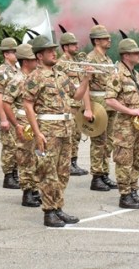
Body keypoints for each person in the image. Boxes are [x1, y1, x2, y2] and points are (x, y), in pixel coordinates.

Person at [23, 35, 92, 227]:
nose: (54, 53)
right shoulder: (35, 77)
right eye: (49, 51)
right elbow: (28, 105)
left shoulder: (60, 75)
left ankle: (58, 207)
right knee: (48, 172)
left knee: (62, 173)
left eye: (54, 50)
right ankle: (49, 211)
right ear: (39, 56)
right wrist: (37, 133)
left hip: (65, 130)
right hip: (48, 130)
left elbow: (76, 95)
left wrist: (86, 79)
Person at [105, 38, 139, 209]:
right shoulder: (117, 74)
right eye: (135, 52)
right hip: (124, 126)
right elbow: (109, 100)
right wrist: (131, 111)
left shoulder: (136, 74)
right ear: (126, 55)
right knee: (124, 161)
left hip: (137, 125)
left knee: (136, 159)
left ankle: (133, 191)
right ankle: (124, 195)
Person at [3, 43, 42, 208]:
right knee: (26, 158)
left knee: (37, 158)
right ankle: (27, 192)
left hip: (35, 122)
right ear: (26, 61)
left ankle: (34, 188)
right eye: (34, 59)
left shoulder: (34, 78)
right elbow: (6, 103)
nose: (37, 62)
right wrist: (16, 125)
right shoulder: (18, 79)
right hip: (24, 123)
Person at [85, 24, 118, 191]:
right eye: (105, 38)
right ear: (96, 40)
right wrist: (88, 108)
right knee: (98, 141)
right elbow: (85, 86)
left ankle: (104, 173)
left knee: (108, 141)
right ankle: (97, 177)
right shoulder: (90, 59)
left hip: (109, 104)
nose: (109, 40)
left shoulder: (107, 59)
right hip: (97, 104)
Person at [55, 31, 91, 176]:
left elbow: (84, 85)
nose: (77, 46)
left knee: (76, 135)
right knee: (68, 136)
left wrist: (87, 107)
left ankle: (73, 162)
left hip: (77, 104)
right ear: (65, 47)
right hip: (67, 105)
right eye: (73, 44)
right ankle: (66, 163)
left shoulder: (76, 63)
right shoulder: (61, 64)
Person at [0, 37, 21, 189]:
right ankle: (8, 176)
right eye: (13, 51)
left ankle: (15, 172)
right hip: (8, 115)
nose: (15, 54)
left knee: (18, 145)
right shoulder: (1, 72)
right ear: (6, 54)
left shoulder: (16, 70)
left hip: (17, 114)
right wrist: (3, 119)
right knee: (9, 146)